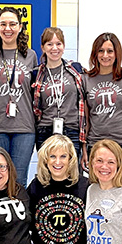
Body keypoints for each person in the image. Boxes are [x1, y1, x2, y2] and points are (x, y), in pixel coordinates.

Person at [0, 7, 38, 186]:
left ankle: (19, 214)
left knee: (19, 180)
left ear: (20, 27)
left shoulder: (31, 55)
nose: (8, 28)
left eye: (12, 24)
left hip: (24, 128)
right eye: (3, 24)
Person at [83, 33, 122, 176]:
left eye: (110, 51)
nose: (105, 55)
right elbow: (86, 120)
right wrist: (84, 148)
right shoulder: (85, 79)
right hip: (97, 144)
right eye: (101, 51)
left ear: (117, 53)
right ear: (95, 53)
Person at [31, 27, 87, 162]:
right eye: (49, 44)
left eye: (58, 44)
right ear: (43, 47)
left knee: (72, 174)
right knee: (48, 173)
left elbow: (98, 75)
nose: (54, 48)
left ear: (64, 46)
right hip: (46, 131)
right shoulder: (36, 74)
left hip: (71, 130)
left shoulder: (76, 69)